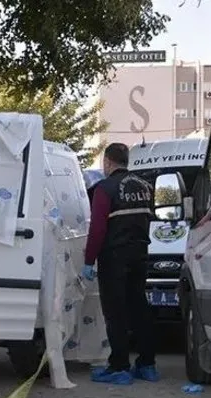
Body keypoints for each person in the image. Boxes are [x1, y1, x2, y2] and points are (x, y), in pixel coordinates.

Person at [81, 143, 157, 385]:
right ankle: (147, 364)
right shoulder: (145, 186)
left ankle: (119, 367)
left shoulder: (105, 189)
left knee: (115, 313)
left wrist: (89, 261)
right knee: (139, 308)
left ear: (107, 162)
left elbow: (98, 229)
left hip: (114, 257)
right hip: (140, 254)